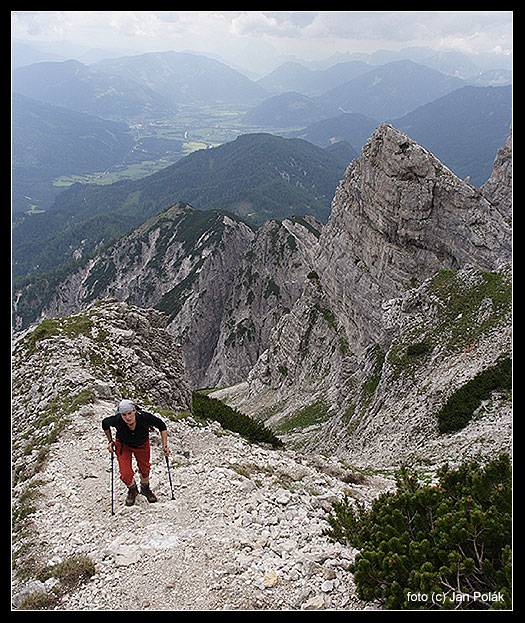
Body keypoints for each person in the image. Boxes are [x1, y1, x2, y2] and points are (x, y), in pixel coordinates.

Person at [102, 399, 170, 506]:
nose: (128, 417)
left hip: (142, 444)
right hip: (123, 445)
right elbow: (105, 423)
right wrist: (110, 441)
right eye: (124, 414)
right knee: (125, 473)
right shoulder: (117, 420)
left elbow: (162, 426)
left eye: (129, 413)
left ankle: (145, 488)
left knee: (145, 468)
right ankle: (132, 489)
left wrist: (165, 446)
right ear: (120, 414)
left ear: (134, 411)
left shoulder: (144, 417)